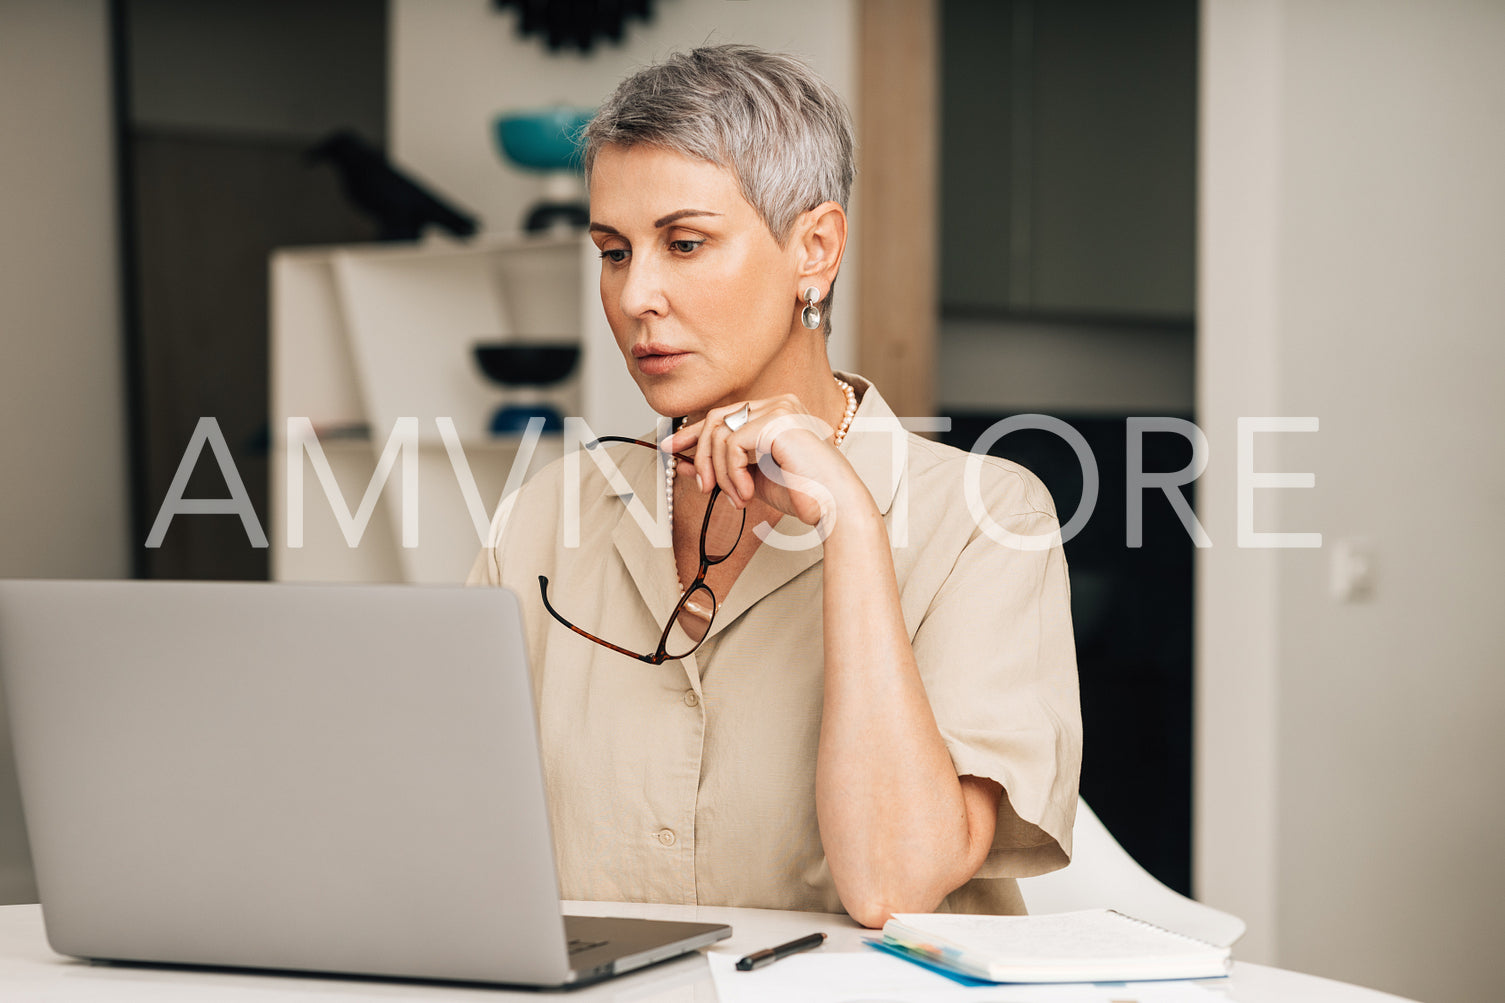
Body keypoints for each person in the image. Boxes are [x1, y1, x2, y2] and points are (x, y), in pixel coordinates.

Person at [468, 43, 1080, 928]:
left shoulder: (986, 517)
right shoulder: (543, 518)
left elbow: (893, 884)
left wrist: (853, 530)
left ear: (815, 249)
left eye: (684, 243)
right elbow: (453, 844)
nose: (637, 293)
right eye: (612, 251)